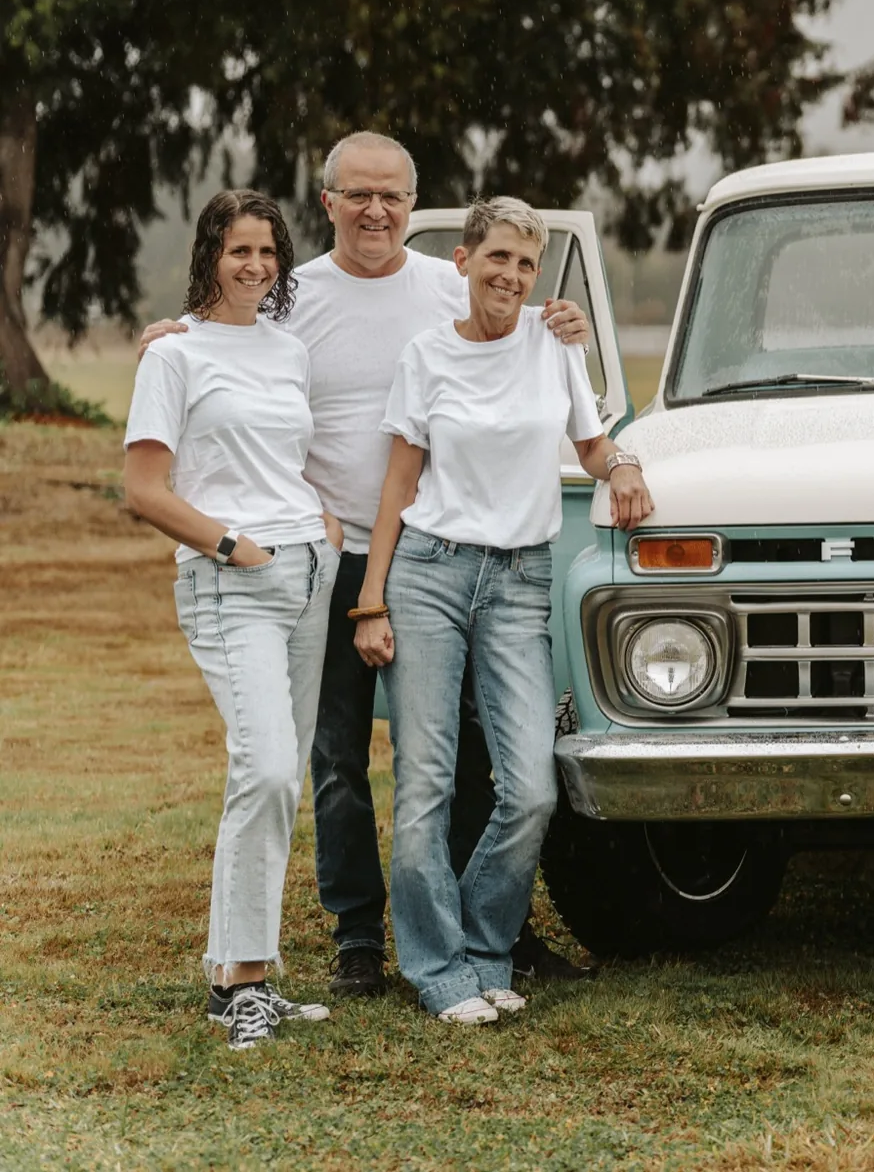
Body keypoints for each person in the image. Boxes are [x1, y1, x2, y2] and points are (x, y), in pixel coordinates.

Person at [140, 131, 593, 997]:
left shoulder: (445, 284)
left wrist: (560, 319)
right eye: (359, 194)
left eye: (392, 196)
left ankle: (492, 928)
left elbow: (510, 319)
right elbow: (223, 338)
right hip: (327, 553)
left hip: (433, 555)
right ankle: (357, 933)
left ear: (413, 207)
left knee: (468, 750)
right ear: (329, 202)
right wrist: (171, 331)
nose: (376, 211)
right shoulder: (293, 294)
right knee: (338, 755)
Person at [351, 197, 653, 1022]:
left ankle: (485, 948)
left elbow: (592, 445)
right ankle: (438, 968)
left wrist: (624, 465)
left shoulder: (554, 347)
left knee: (532, 786)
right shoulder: (426, 356)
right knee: (426, 782)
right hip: (429, 574)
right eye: (497, 258)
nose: (511, 276)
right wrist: (371, 599)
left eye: (525, 263)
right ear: (464, 261)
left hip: (521, 580)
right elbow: (400, 482)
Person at [123, 191, 342, 1049]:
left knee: (275, 779)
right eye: (238, 249)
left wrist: (320, 527)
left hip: (308, 574)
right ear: (209, 255)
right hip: (230, 579)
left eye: (267, 251)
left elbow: (284, 457)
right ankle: (242, 981)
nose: (255, 265)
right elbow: (144, 490)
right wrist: (229, 544)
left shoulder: (288, 350)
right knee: (269, 767)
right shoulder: (173, 354)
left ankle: (241, 978)